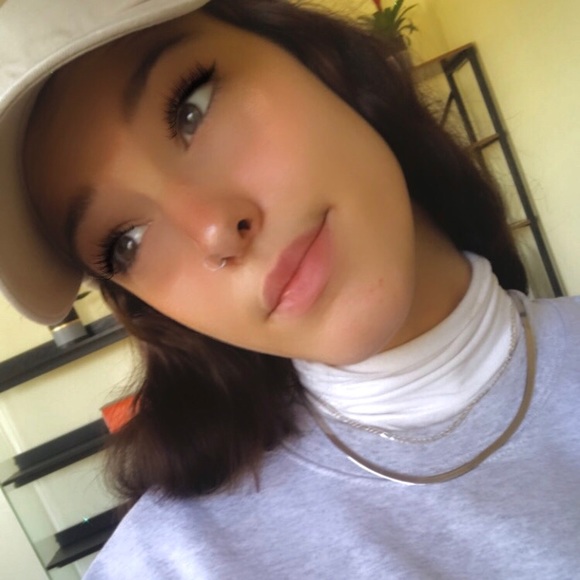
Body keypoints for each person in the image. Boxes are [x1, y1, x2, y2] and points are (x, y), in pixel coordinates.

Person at [1, 0, 579, 578]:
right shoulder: (175, 562)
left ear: (314, 59)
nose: (214, 231)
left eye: (191, 110)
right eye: (126, 242)